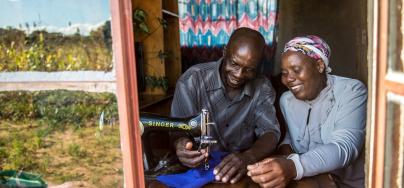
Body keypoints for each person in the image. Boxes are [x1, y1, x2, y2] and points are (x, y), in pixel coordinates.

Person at [247, 35, 367, 188]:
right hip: (311, 180)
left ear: (319, 66)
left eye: (296, 70)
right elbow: (290, 139)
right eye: (284, 73)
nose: (288, 79)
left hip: (347, 184)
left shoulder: (351, 91)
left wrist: (292, 166)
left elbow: (345, 147)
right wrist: (283, 159)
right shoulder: (287, 100)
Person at [170, 27, 281, 184]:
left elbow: (270, 133)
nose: (239, 74)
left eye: (249, 69)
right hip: (199, 169)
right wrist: (180, 145)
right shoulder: (192, 81)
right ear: (224, 52)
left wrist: (249, 156)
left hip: (241, 172)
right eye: (234, 64)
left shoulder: (262, 88)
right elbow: (177, 131)